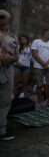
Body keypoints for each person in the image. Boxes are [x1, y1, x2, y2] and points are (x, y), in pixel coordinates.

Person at [0, 9, 19, 141]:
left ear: (9, 20)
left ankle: (1, 129)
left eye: (1, 16)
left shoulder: (13, 37)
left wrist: (10, 59)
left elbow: (17, 56)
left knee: (6, 99)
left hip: (7, 70)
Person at [31, 29, 49, 107]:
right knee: (39, 85)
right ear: (44, 34)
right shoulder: (36, 41)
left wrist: (46, 63)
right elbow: (34, 53)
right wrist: (42, 62)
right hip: (38, 66)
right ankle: (40, 102)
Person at [12, 35, 31, 99]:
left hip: (26, 67)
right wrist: (17, 62)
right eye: (21, 39)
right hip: (17, 65)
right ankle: (13, 98)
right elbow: (13, 55)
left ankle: (25, 98)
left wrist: (31, 47)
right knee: (15, 83)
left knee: (25, 83)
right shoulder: (17, 46)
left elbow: (33, 57)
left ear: (27, 40)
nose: (23, 41)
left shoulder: (30, 48)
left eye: (24, 39)